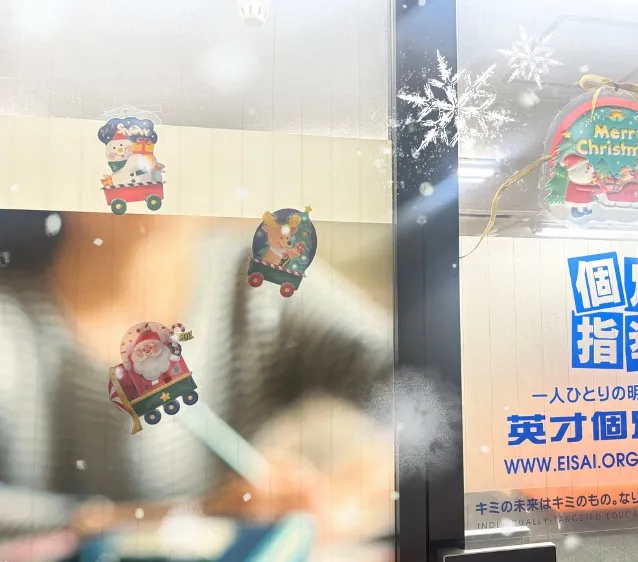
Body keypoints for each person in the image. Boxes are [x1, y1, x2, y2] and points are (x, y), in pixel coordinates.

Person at [0, 210, 395, 559]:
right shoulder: (12, 319)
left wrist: (350, 493)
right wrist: (185, 517)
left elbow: (415, 382)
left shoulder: (258, 280)